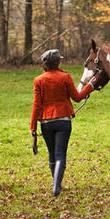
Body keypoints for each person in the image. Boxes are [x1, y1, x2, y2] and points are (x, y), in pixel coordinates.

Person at [29, 49, 95, 197]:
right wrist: (90, 86)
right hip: (63, 121)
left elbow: (36, 105)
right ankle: (56, 187)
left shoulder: (38, 80)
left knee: (52, 153)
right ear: (58, 62)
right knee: (60, 154)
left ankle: (55, 184)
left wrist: (33, 126)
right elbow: (77, 98)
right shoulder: (65, 77)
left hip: (46, 122)